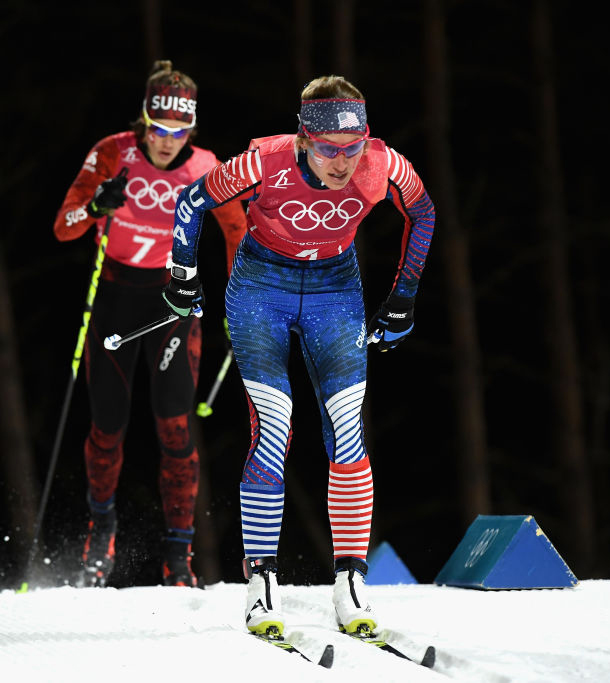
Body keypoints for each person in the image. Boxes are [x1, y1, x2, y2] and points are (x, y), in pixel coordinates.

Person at [161, 75, 436, 633]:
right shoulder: (264, 161)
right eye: (329, 149)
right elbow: (193, 201)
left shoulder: (383, 165)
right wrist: (182, 272)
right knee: (276, 422)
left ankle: (351, 580)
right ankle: (261, 578)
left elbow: (424, 213)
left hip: (335, 291)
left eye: (352, 147)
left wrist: (404, 295)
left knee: (347, 426)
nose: (342, 163)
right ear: (304, 139)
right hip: (261, 289)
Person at [53, 60, 246, 588]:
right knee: (108, 427)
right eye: (158, 130)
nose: (166, 142)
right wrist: (96, 205)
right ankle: (101, 533)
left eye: (178, 131)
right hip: (114, 297)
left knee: (175, 425)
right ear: (144, 121)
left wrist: (240, 297)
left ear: (192, 129)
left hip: (171, 306)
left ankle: (178, 559)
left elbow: (238, 233)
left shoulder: (208, 167)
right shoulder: (113, 152)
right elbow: (64, 228)